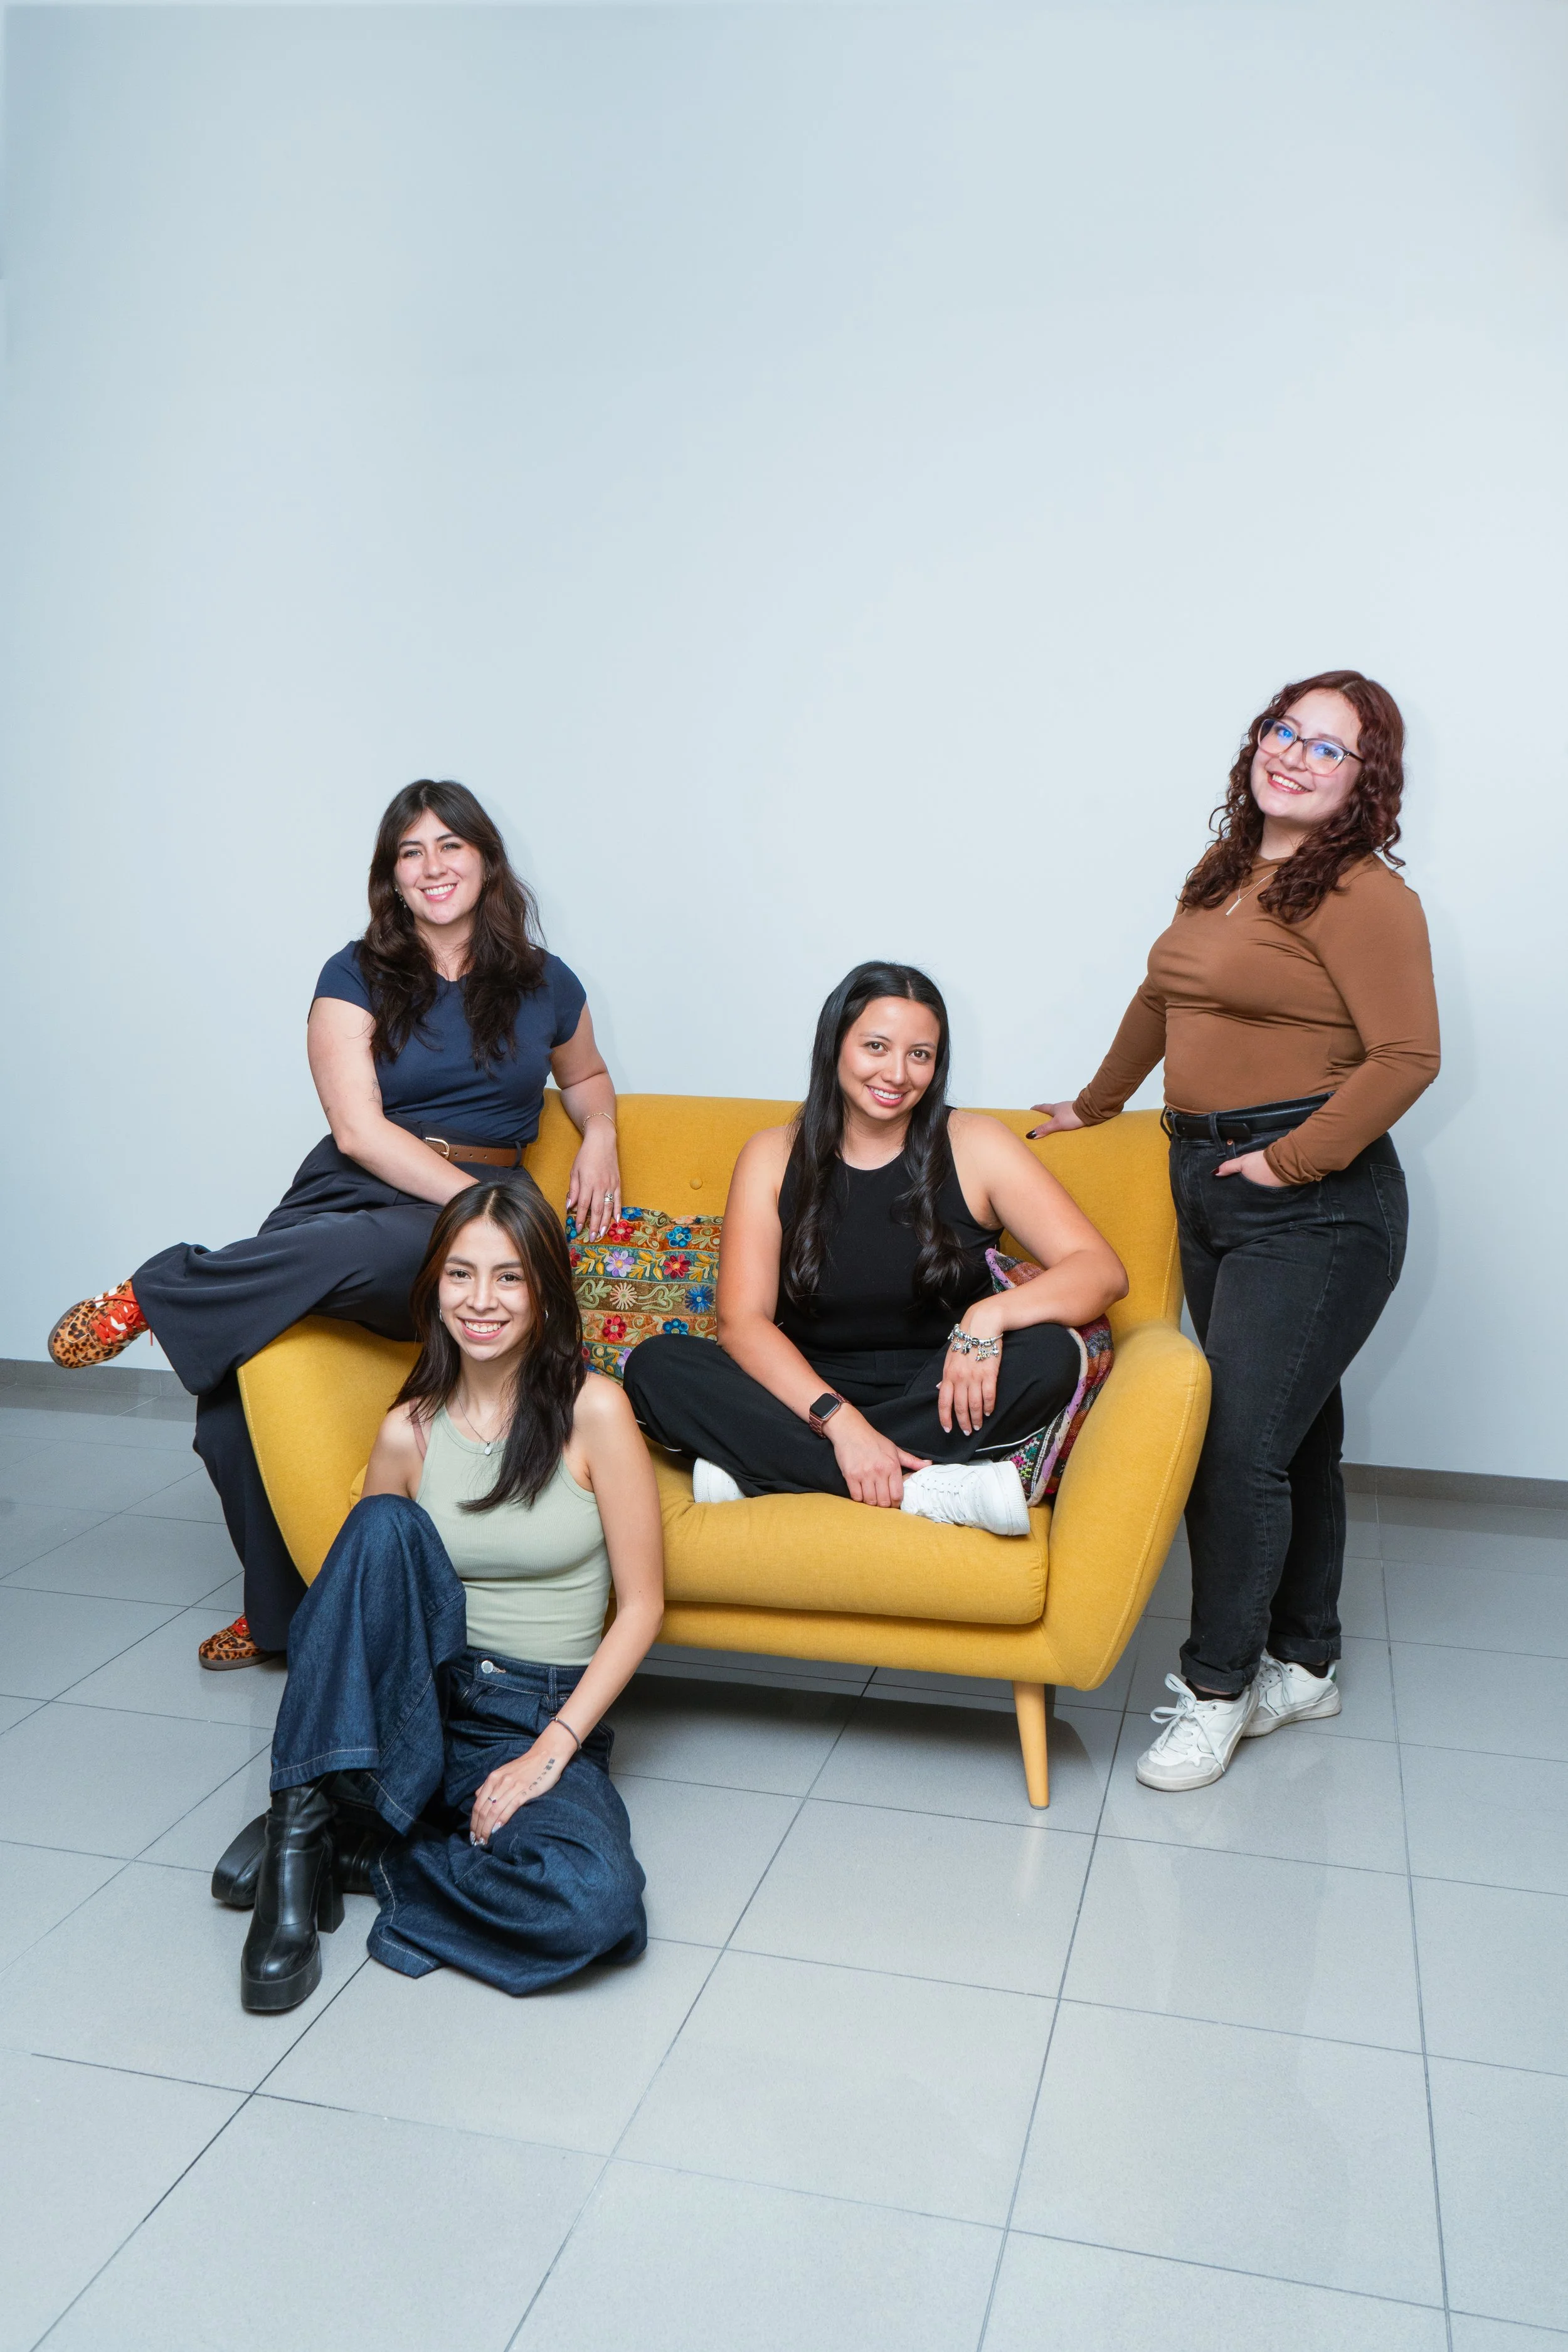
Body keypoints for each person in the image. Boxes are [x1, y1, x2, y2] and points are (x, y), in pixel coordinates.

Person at [46, 780, 623, 1668]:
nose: (432, 867)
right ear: (391, 876)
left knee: (375, 1248)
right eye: (410, 852)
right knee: (231, 1408)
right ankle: (281, 1618)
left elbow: (583, 1080)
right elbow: (358, 1129)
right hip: (357, 1184)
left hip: (466, 1212)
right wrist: (463, 1196)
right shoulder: (352, 973)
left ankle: (164, 1290)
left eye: (450, 846)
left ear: (487, 860)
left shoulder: (547, 982)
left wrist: (604, 1136)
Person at [1032, 669, 1439, 1791]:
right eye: (1282, 730)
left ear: (1366, 781)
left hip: (1316, 1198)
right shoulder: (1223, 874)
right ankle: (1305, 1664)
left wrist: (1288, 1160)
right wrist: (1097, 1104)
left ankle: (1218, 1689)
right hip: (1209, 1181)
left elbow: (1409, 1057)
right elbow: (1164, 999)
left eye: (1329, 748)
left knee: (1236, 1446)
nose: (1295, 756)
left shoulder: (1363, 894)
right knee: (1294, 1437)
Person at [236, 1175, 663, 2014]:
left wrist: (552, 1750)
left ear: (544, 1288)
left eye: (509, 1276)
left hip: (535, 1711)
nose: (482, 1300)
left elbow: (644, 1605)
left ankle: (359, 1855)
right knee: (379, 1530)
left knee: (593, 1902)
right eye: (461, 1274)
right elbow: (363, 1597)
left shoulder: (597, 1411)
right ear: (434, 1285)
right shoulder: (409, 1427)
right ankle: (295, 1844)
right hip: (419, 1695)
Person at [624, 961, 1126, 1534]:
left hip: (943, 1393)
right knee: (656, 1367)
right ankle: (927, 1490)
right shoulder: (770, 1155)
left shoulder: (976, 1144)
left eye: (920, 1054)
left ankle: (761, 1473)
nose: (897, 1073)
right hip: (807, 1394)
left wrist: (988, 1316)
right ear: (835, 1044)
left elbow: (1100, 1271)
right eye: (877, 1047)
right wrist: (843, 1426)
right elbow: (742, 1323)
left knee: (1051, 1355)